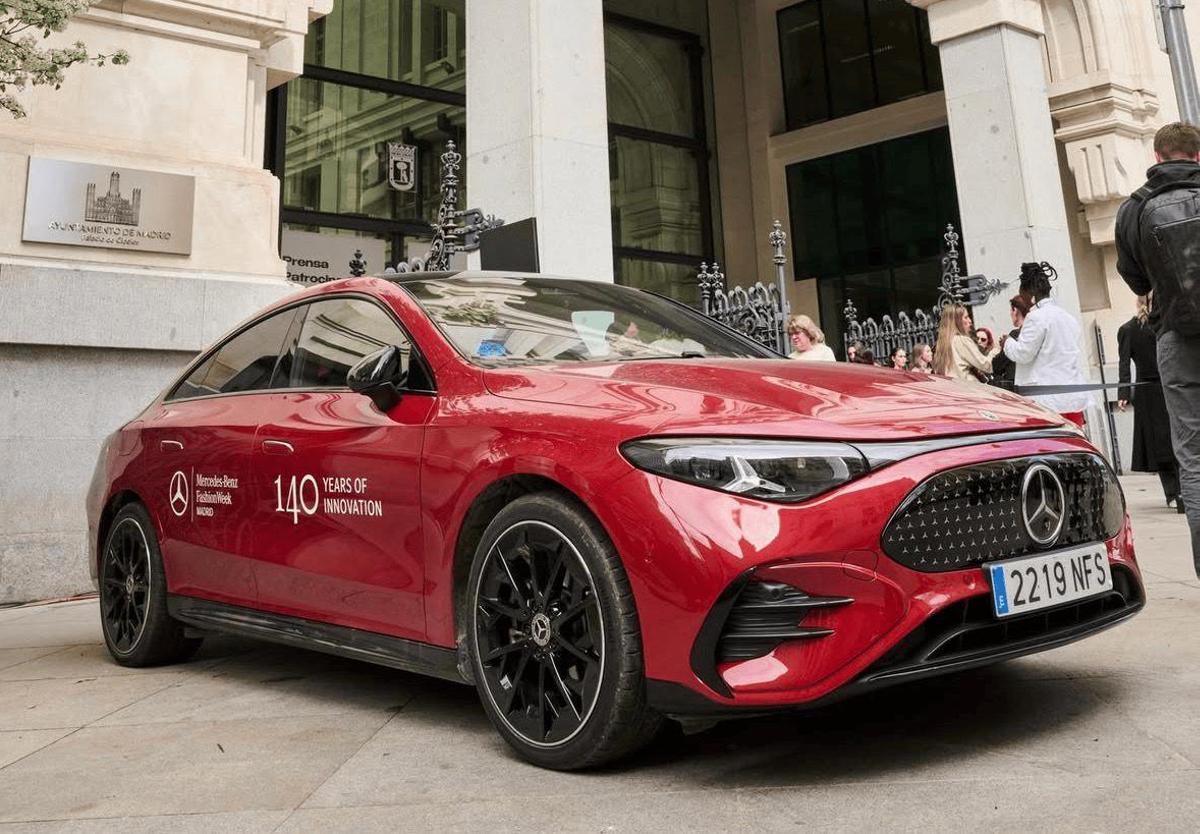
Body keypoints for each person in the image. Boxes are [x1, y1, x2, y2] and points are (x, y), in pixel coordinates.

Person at [1115, 121, 1200, 575]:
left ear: (1157, 155)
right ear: (1198, 156)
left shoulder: (1135, 207)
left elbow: (1137, 280)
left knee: (1194, 459)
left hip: (1177, 337)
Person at [999, 262, 1091, 425]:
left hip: (1047, 402)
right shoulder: (1067, 317)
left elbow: (1023, 354)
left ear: (1030, 293)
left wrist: (1008, 342)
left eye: (1023, 295)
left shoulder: (1036, 317)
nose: (1024, 301)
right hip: (1072, 398)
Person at [1118, 297, 1183, 511]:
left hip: (1159, 389)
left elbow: (1124, 363)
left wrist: (1124, 393)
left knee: (1165, 444)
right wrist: (1124, 391)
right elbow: (1125, 362)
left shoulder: (1160, 324)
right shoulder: (1138, 327)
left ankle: (1175, 493)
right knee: (1171, 441)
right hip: (1162, 387)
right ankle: (1176, 492)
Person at [932, 304, 996, 382]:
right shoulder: (962, 340)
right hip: (966, 388)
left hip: (950, 389)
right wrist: (994, 351)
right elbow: (985, 365)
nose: (970, 321)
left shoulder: (941, 344)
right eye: (966, 317)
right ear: (957, 321)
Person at [991, 293, 1032, 389]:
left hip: (1020, 389)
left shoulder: (1015, 335)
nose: (1010, 314)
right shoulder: (1038, 331)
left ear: (1015, 310)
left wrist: (1005, 345)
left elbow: (997, 366)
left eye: (1011, 310)